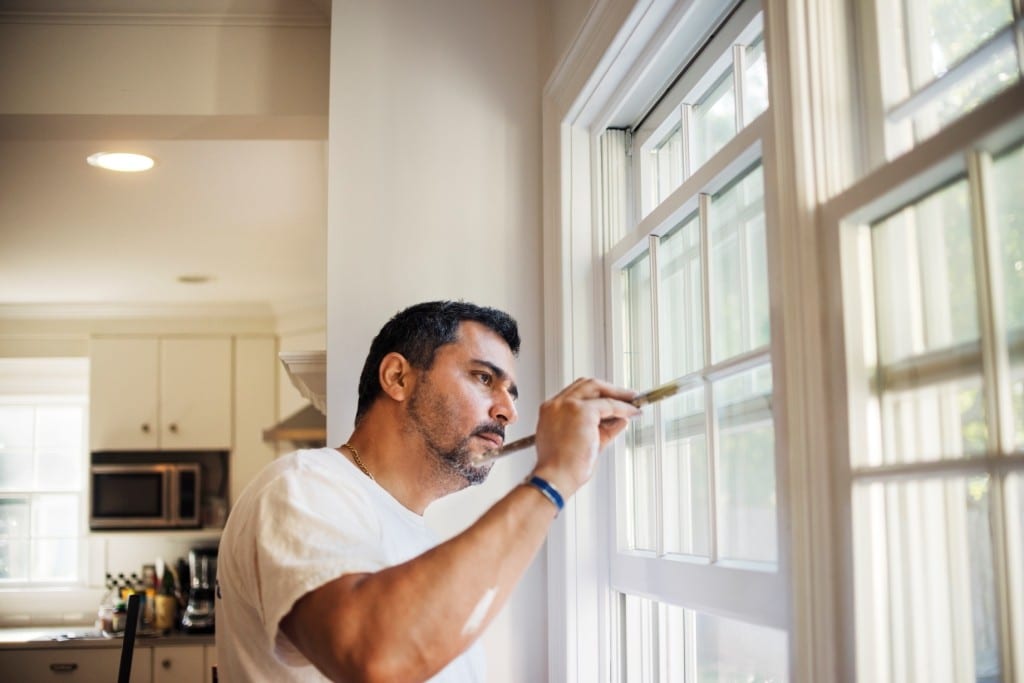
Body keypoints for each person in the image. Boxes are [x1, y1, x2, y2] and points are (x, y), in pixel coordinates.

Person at [215, 300, 639, 682]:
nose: (508, 411)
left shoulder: (421, 541)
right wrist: (553, 479)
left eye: (510, 393)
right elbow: (375, 658)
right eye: (483, 378)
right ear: (398, 377)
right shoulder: (301, 484)